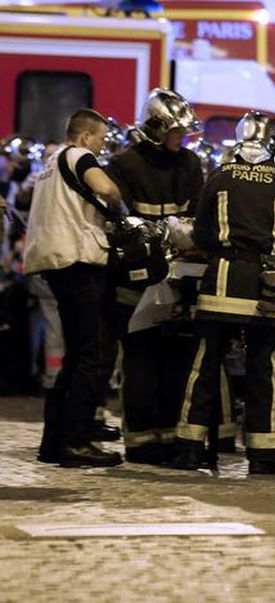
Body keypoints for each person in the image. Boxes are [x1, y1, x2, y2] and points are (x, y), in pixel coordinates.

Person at [174, 111, 275, 474]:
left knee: (204, 365)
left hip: (221, 279)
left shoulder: (218, 175)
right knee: (265, 367)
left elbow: (201, 235)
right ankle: (263, 454)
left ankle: (189, 447)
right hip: (267, 282)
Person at [105, 88, 207, 465]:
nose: (182, 139)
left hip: (179, 275)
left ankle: (169, 438)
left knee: (177, 360)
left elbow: (198, 213)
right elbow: (120, 220)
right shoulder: (124, 165)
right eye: (176, 132)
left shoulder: (190, 164)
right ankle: (141, 442)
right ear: (155, 128)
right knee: (139, 361)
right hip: (136, 277)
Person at [23, 108, 124, 467]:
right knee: (93, 353)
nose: (102, 145)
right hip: (78, 262)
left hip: (53, 264)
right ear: (84, 137)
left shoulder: (49, 165)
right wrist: (117, 207)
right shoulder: (79, 155)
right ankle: (77, 442)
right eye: (100, 139)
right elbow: (106, 187)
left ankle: (53, 442)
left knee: (74, 354)